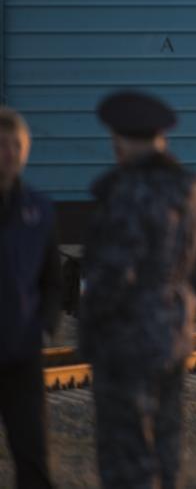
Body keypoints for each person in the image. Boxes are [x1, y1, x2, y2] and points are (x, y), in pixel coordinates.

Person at [79, 91, 196, 489]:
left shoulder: (128, 194)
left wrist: (91, 330)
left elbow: (114, 274)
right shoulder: (191, 193)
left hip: (126, 340)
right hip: (172, 335)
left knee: (126, 456)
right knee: (166, 452)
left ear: (120, 140)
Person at [0, 107, 60, 489]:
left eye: (14, 146)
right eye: (0, 145)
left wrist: (47, 325)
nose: (7, 153)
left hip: (21, 351)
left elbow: (51, 278)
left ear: (25, 152)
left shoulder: (39, 210)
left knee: (32, 455)